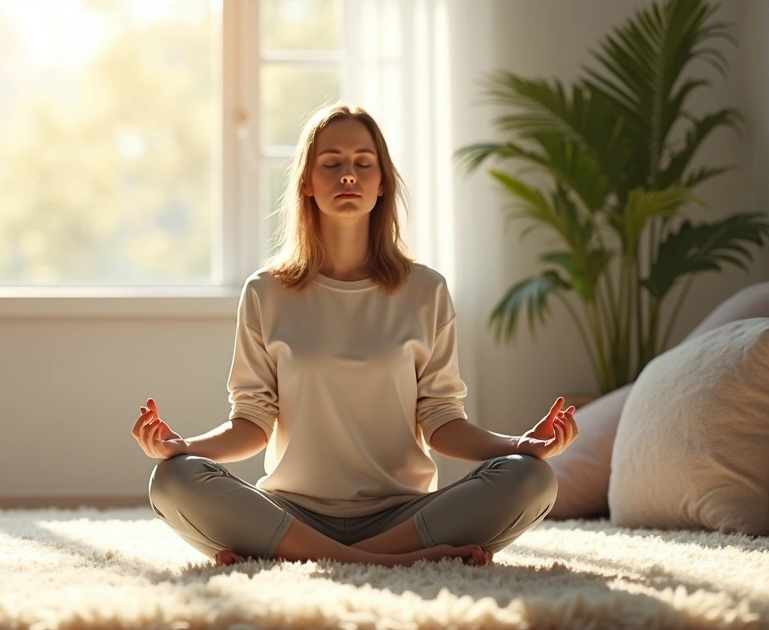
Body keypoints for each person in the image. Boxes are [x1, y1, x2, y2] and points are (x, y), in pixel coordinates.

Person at [130, 103, 579, 568]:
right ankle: (389, 560)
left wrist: (519, 445)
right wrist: (184, 448)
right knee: (172, 480)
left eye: (364, 163)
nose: (349, 175)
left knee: (532, 478)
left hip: (405, 513)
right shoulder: (266, 291)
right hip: (292, 512)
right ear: (306, 180)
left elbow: (442, 420)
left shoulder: (426, 290)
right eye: (332, 163)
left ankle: (324, 558)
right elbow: (252, 423)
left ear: (382, 182)